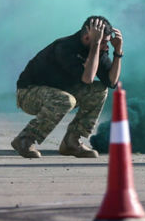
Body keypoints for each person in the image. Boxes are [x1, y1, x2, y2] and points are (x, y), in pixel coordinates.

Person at [10, 16, 123, 159]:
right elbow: (87, 79)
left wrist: (118, 52)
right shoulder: (65, 47)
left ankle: (72, 142)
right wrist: (95, 44)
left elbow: (111, 82)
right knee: (66, 100)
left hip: (61, 92)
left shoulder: (98, 50)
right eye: (104, 43)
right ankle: (25, 139)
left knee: (99, 90)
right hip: (28, 93)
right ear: (88, 38)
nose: (106, 47)